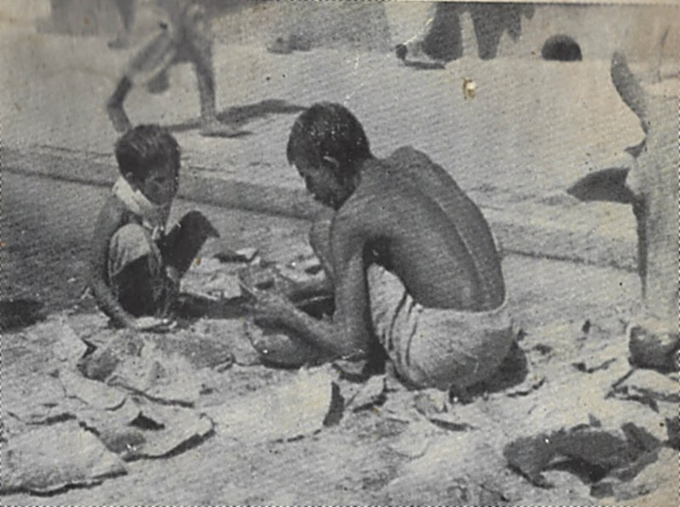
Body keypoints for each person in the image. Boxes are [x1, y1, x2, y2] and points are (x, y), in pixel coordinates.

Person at [247, 103, 515, 392]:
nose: (310, 191)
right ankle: (343, 310)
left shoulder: (353, 216)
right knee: (387, 243)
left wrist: (287, 312)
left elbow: (351, 344)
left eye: (309, 176)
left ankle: (356, 343)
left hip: (446, 359)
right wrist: (302, 289)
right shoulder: (414, 161)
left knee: (325, 228)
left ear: (331, 164)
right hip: (500, 333)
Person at [89, 124, 219, 330]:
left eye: (174, 175)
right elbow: (95, 279)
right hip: (124, 294)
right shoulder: (118, 209)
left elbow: (158, 240)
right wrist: (128, 321)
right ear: (133, 180)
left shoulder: (157, 194)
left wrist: (170, 271)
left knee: (195, 222)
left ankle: (164, 301)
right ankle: (143, 311)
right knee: (134, 237)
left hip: (149, 270)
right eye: (159, 180)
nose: (170, 186)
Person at [106, 0, 240, 137]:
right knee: (150, 56)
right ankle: (115, 101)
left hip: (191, 8)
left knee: (203, 50)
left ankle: (209, 118)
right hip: (166, 9)